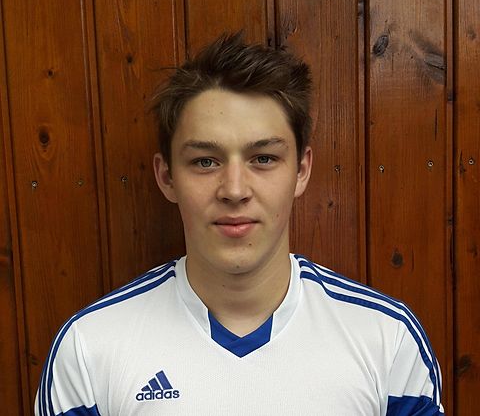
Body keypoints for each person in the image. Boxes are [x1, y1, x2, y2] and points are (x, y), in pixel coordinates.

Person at [35, 33, 444, 415]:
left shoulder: (387, 339)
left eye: (263, 158)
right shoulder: (89, 349)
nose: (234, 190)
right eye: (205, 161)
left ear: (301, 171)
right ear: (167, 177)